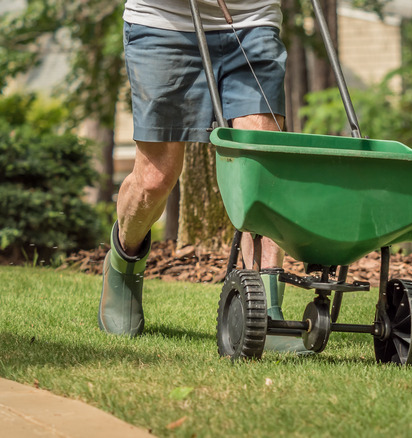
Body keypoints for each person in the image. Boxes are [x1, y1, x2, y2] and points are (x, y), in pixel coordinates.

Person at [98, 0, 307, 353]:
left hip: (251, 22)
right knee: (155, 178)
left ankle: (265, 310)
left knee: (262, 170)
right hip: (164, 24)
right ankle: (124, 263)